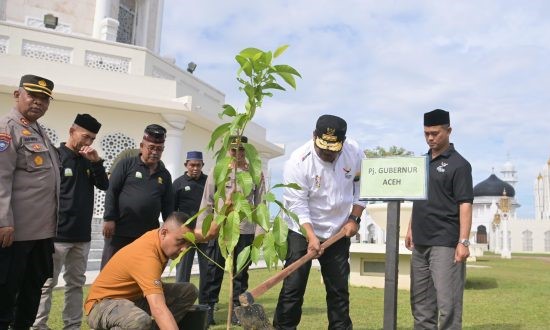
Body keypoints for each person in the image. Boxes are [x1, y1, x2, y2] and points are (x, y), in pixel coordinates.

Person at [273, 115, 365, 330]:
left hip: (339, 231)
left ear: (343, 142)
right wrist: (311, 237)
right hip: (302, 230)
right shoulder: (298, 161)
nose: (328, 154)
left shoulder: (355, 152)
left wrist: (355, 218)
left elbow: (363, 188)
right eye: (323, 148)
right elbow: (297, 205)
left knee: (338, 290)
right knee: (293, 288)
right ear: (314, 137)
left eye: (334, 149)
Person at [33, 114, 109, 330]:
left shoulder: (89, 161)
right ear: (72, 130)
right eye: (85, 136)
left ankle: (72, 326)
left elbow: (104, 185)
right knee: (47, 284)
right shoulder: (55, 156)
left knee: (76, 284)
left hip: (81, 236)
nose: (88, 143)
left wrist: (96, 162)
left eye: (92, 139)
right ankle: (38, 325)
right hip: (57, 234)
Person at [0, 74, 61, 330]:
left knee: (32, 293)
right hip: (16, 234)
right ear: (18, 95)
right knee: (5, 297)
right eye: (32, 95)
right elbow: (1, 177)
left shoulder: (38, 130)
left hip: (41, 233)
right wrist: (4, 221)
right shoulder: (7, 128)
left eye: (44, 98)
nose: (38, 102)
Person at [405, 109, 473, 330]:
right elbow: (418, 198)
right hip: (420, 243)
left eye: (435, 133)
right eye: (426, 134)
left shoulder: (460, 165)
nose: (430, 138)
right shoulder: (421, 162)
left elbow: (465, 203)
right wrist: (410, 227)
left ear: (449, 130)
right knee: (421, 305)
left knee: (448, 305)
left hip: (445, 243)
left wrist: (463, 241)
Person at [85, 212, 198, 330]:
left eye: (188, 243)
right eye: (180, 242)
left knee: (188, 291)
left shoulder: (158, 238)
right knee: (139, 321)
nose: (184, 249)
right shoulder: (147, 256)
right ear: (164, 233)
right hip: (102, 305)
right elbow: (158, 309)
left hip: (133, 298)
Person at [196, 135, 265, 326]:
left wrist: (259, 234)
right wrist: (203, 229)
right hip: (219, 229)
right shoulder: (217, 171)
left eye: (241, 150)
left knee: (241, 274)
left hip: (244, 230)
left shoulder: (255, 173)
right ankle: (208, 310)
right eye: (233, 150)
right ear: (228, 150)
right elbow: (207, 201)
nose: (237, 154)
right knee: (212, 272)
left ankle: (238, 312)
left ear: (246, 150)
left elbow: (260, 204)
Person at [101, 124, 174, 268]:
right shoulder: (126, 164)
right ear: (142, 146)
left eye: (159, 149)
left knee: (138, 272)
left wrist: (170, 230)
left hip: (147, 235)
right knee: (110, 269)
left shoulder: (164, 175)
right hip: (119, 231)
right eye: (151, 147)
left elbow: (168, 206)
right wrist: (109, 218)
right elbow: (111, 191)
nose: (155, 152)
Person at [173, 151, 209, 286]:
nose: (195, 168)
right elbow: (172, 210)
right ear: (186, 165)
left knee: (207, 270)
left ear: (202, 165)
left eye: (198, 165)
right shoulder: (178, 183)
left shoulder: (208, 182)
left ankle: (206, 303)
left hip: (205, 232)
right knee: (182, 269)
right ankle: (181, 302)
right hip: (185, 234)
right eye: (192, 165)